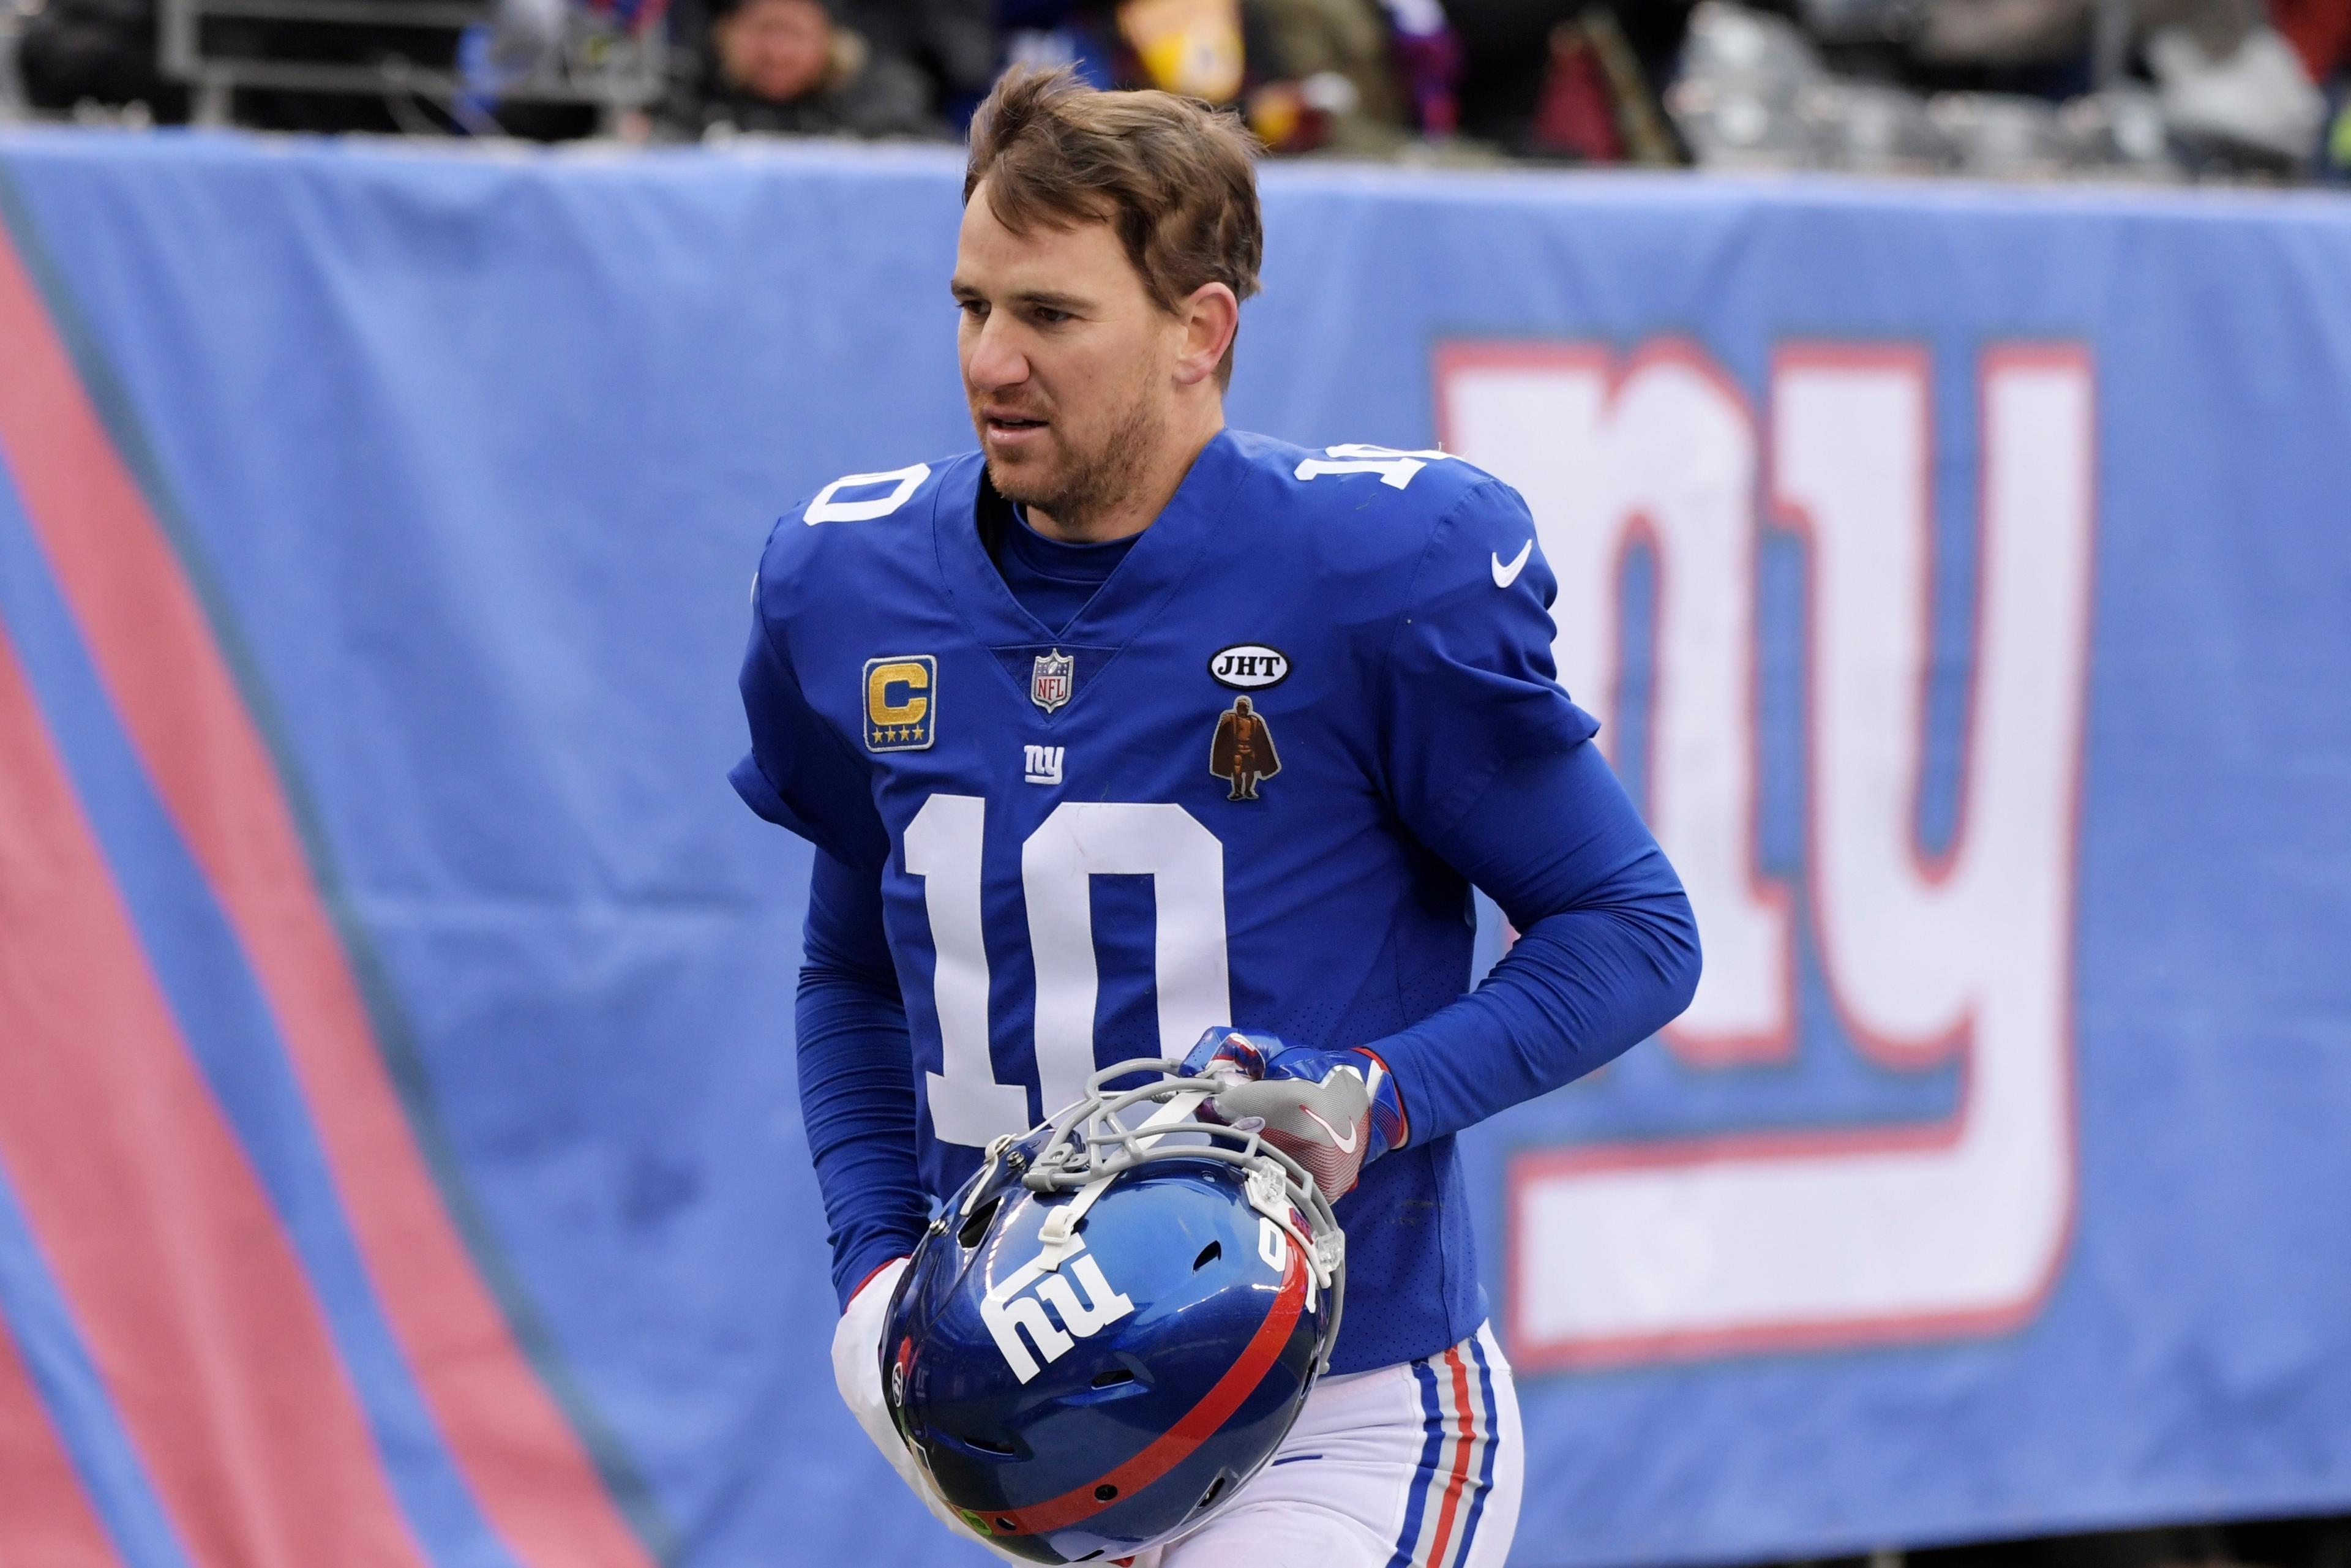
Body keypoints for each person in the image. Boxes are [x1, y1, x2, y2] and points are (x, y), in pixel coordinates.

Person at [730, 66, 1700, 1566]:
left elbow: (1631, 928)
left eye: (1049, 316)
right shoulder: (846, 581)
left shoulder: (1372, 571)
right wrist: (872, 1269)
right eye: (972, 305)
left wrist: (1364, 1096)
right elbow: (853, 970)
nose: (992, 360)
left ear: (1199, 330)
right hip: (1034, 1433)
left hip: (1341, 1405)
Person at [667, 0, 942, 140]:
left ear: (833, 43)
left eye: (794, 34)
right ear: (726, 36)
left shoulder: (883, 109)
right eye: (763, 30)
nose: (776, 53)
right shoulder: (684, 102)